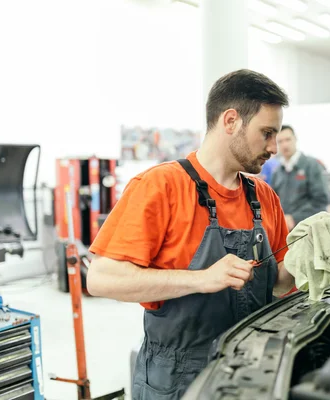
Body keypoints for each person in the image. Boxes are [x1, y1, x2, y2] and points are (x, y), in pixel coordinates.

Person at [86, 69, 298, 399]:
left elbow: (280, 284)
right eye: (267, 133)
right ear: (231, 121)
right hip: (176, 380)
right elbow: (101, 279)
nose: (274, 147)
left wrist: (306, 256)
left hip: (252, 373)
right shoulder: (160, 187)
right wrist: (201, 279)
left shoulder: (264, 197)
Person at [271, 125, 330, 230]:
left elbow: (320, 201)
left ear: (295, 139)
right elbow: (272, 203)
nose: (285, 145)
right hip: (284, 232)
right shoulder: (277, 172)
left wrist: (294, 218)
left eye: (288, 140)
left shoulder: (312, 165)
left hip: (308, 231)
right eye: (280, 141)